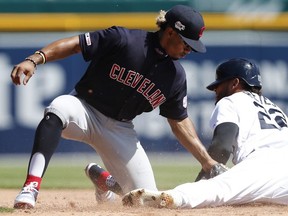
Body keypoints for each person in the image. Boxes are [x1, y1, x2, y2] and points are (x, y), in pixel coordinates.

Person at [10, 4, 223, 209]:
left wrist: (207, 162)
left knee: (148, 199)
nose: (188, 50)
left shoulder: (175, 77)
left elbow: (179, 121)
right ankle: (31, 186)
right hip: (84, 110)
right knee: (58, 109)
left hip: (119, 130)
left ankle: (108, 184)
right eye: (186, 43)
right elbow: (76, 44)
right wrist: (35, 59)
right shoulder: (125, 39)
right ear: (170, 32)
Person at [122, 58, 288, 208]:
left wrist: (202, 182)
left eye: (219, 84)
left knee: (220, 189)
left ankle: (172, 197)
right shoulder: (274, 107)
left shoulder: (231, 100)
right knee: (256, 196)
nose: (215, 89)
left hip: (263, 163)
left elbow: (221, 147)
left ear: (235, 83)